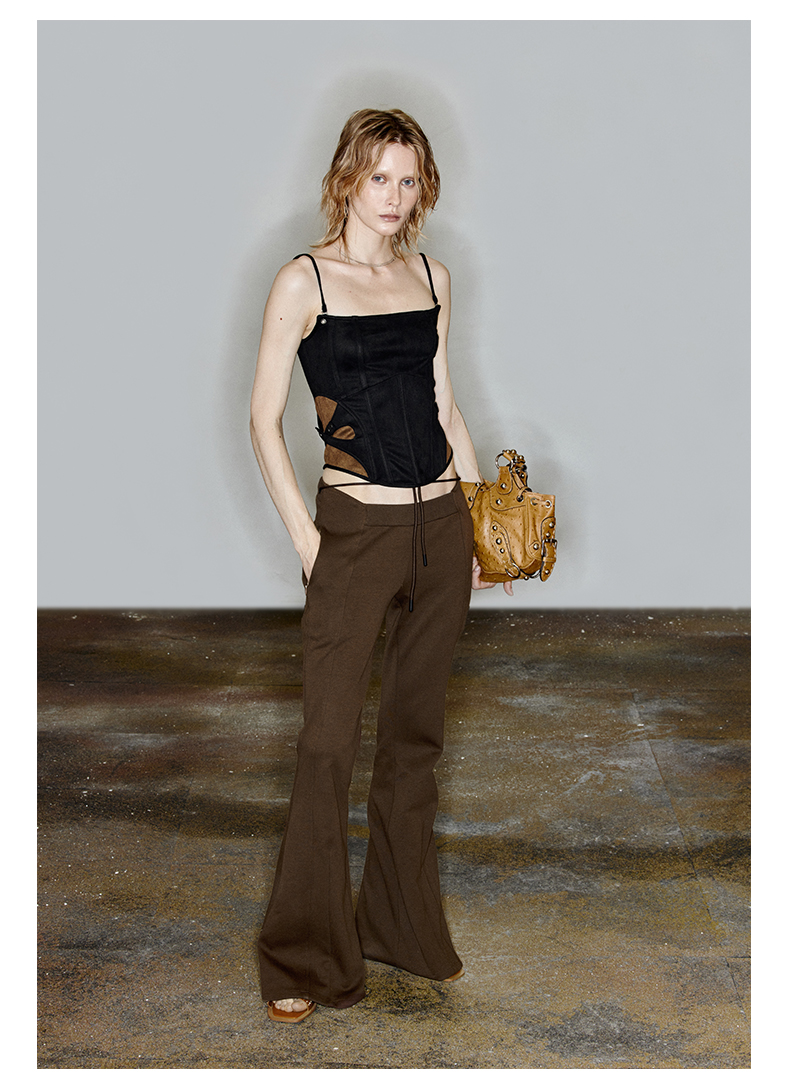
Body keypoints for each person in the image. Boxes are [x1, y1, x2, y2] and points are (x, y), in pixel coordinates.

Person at [249, 107, 512, 1024]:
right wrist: (307, 540)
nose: (395, 197)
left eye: (409, 180)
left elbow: (445, 404)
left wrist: (481, 524)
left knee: (414, 738)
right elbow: (262, 421)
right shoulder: (305, 280)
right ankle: (300, 955)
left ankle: (399, 929)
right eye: (379, 178)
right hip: (354, 530)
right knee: (327, 744)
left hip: (440, 524)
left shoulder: (433, 277)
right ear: (347, 179)